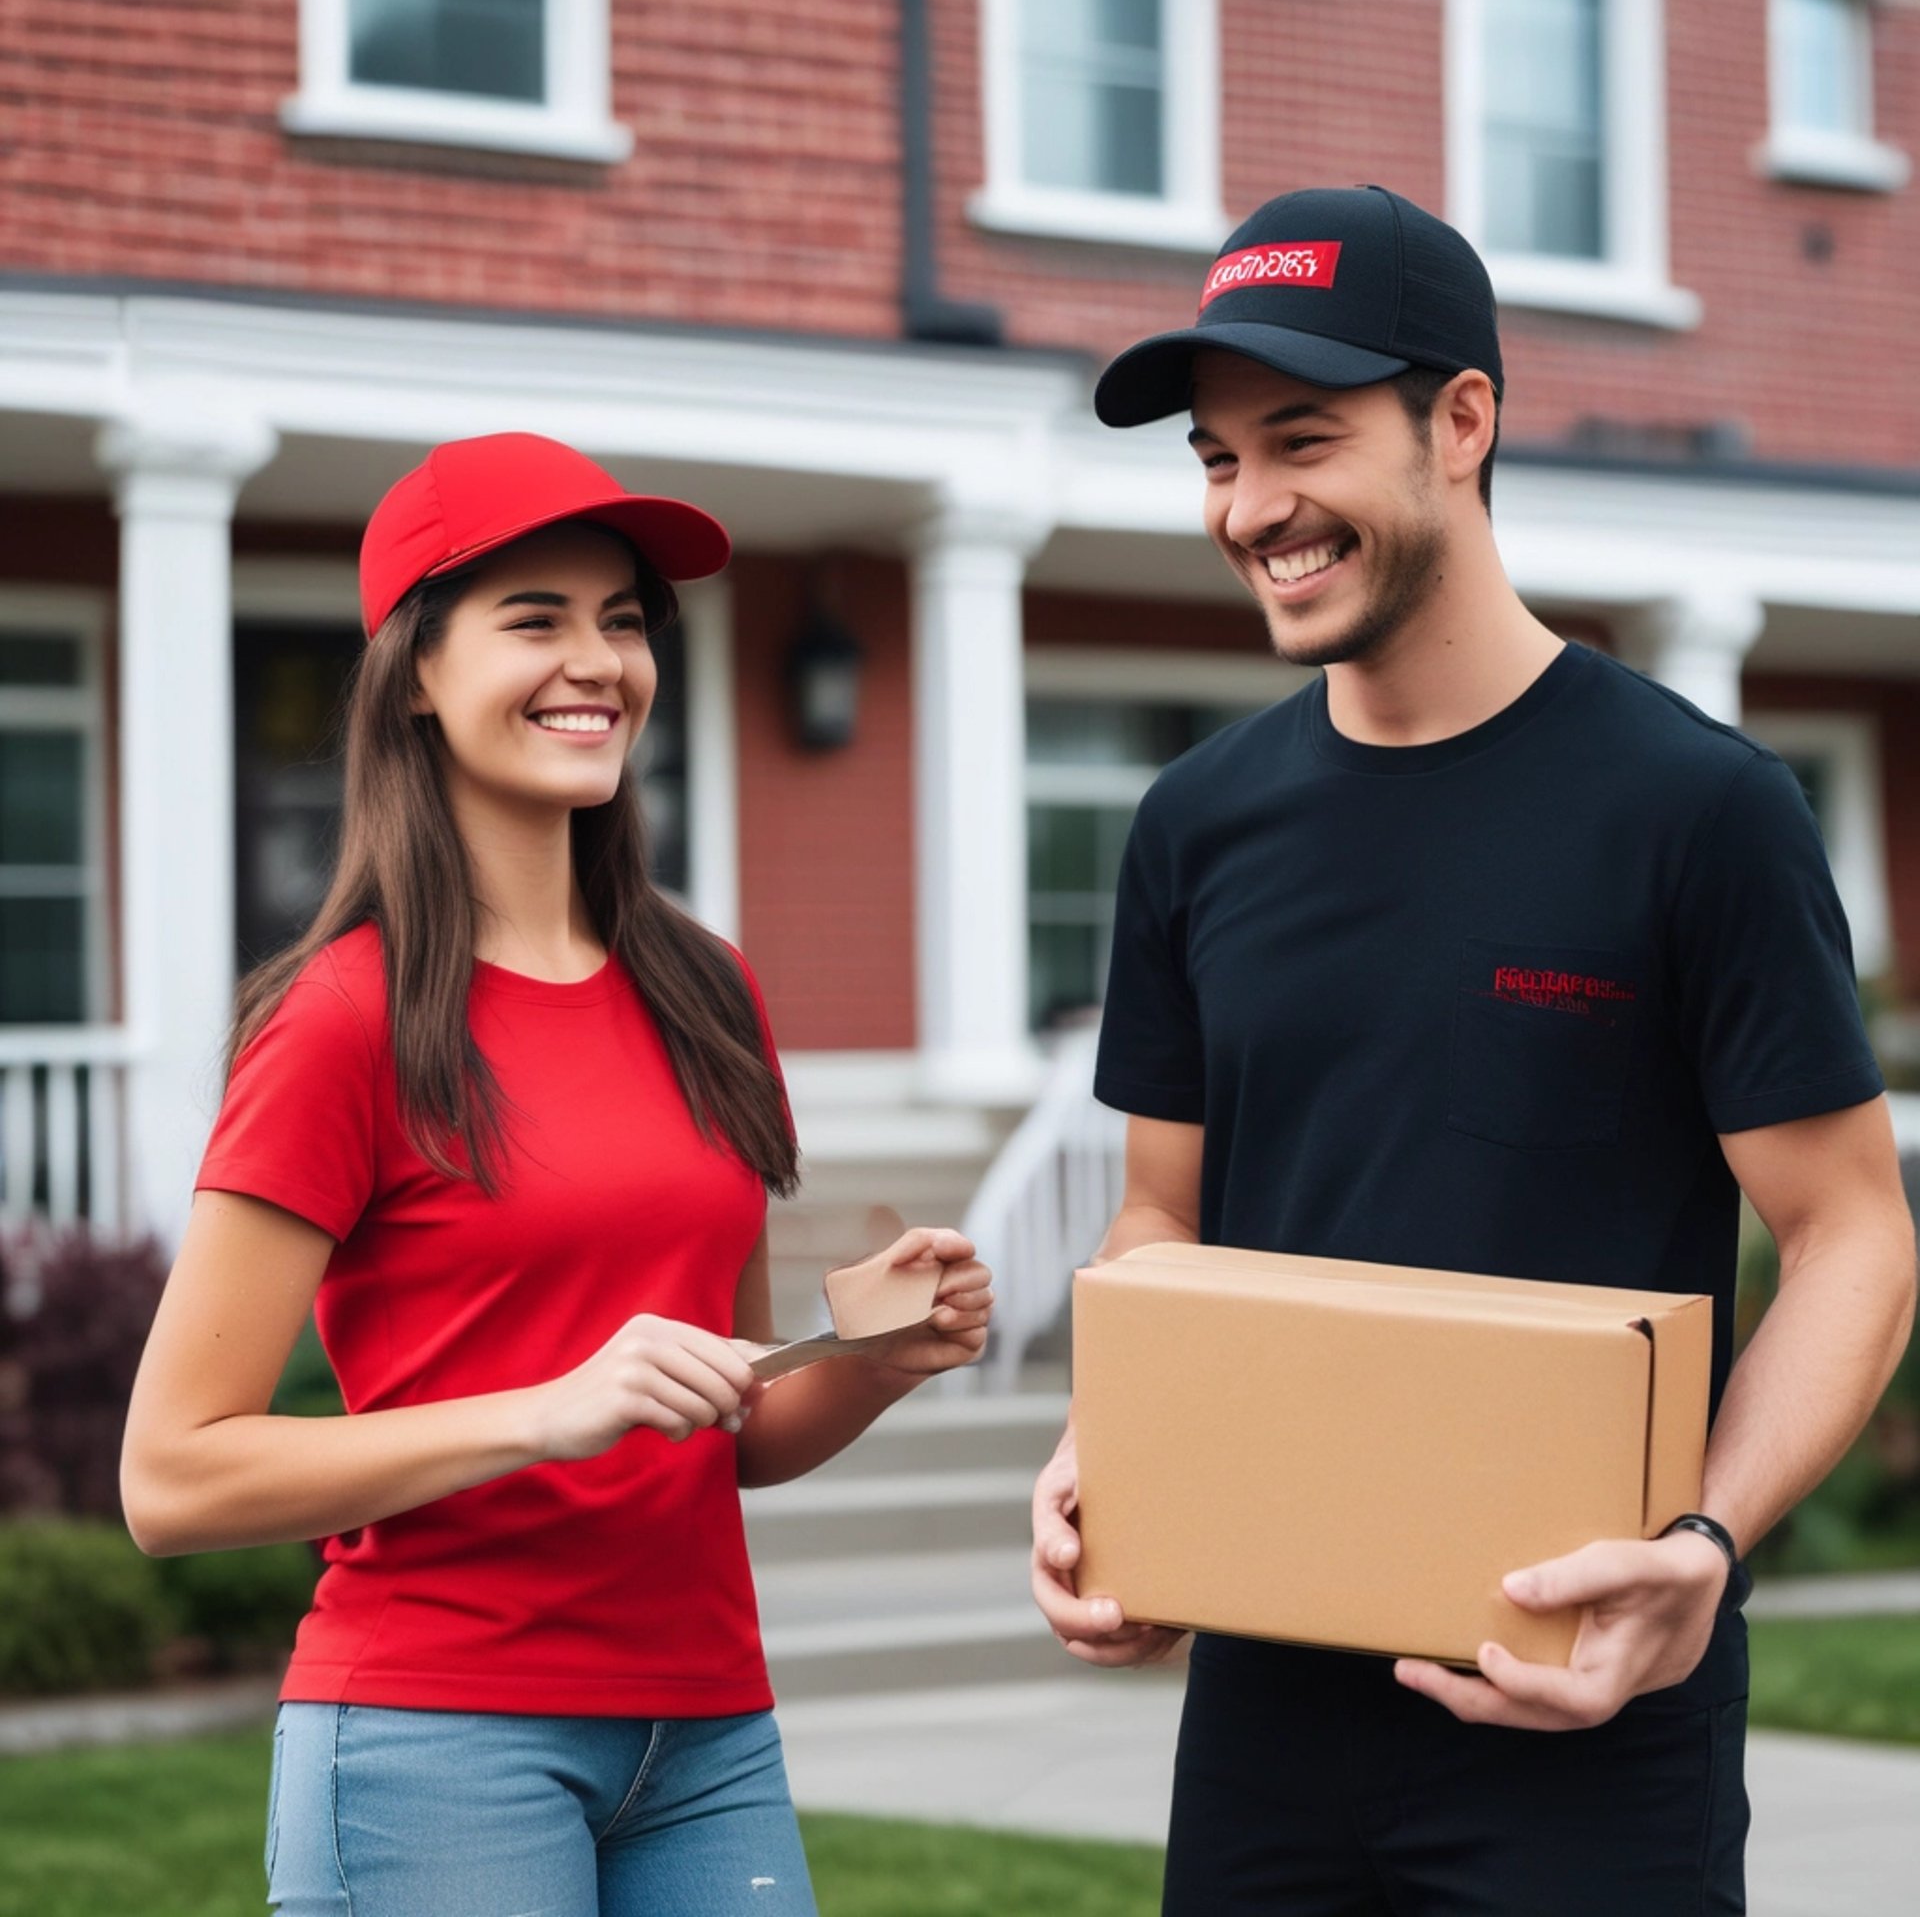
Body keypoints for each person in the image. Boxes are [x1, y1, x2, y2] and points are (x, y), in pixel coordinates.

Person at [1028, 185, 1916, 1915]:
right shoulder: (1195, 826)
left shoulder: (1697, 810)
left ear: (1463, 420)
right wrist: (1112, 1453)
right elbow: (1159, 1222)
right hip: (1266, 1710)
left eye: (1301, 439)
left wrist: (1703, 1547)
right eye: (1216, 458)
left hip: (1591, 1708)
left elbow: (1853, 1234)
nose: (1253, 508)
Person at [120, 432, 994, 1917]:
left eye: (622, 618)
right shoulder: (342, 1019)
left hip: (707, 1729)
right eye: (535, 617)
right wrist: (548, 1409)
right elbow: (173, 1474)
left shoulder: (708, 990)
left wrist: (872, 1356)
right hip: (435, 1729)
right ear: (415, 671)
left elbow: (728, 1426)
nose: (598, 661)